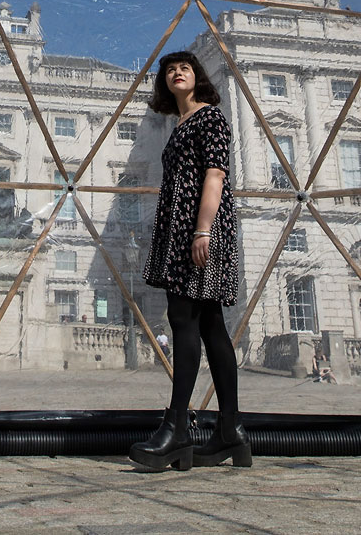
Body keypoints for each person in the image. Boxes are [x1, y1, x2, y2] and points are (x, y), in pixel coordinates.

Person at [130, 51, 245, 472]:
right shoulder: (177, 123)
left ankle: (178, 428)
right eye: (169, 69)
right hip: (184, 227)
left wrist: (203, 230)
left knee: (183, 320)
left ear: (198, 77)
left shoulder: (209, 116)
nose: (177, 72)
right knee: (211, 323)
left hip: (198, 228)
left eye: (186, 67)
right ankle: (230, 433)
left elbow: (216, 174)